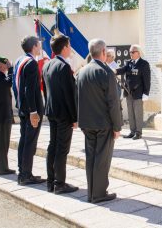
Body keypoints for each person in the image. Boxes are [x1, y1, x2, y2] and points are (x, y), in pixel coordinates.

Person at [76, 38, 122, 203]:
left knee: (91, 158)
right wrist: (117, 126)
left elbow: (77, 98)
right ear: (103, 52)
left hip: (87, 123)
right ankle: (99, 193)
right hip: (103, 123)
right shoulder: (106, 72)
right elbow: (113, 102)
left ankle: (92, 192)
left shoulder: (81, 72)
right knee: (102, 159)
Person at [42, 34, 79, 194]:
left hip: (51, 111)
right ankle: (59, 184)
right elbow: (69, 95)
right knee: (62, 149)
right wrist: (75, 118)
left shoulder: (47, 65)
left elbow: (45, 91)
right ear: (64, 48)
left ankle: (51, 181)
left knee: (53, 147)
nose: (70, 48)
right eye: (69, 45)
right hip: (64, 114)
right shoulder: (64, 67)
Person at [13, 36, 46, 185]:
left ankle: (23, 172)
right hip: (31, 110)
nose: (40, 47)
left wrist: (21, 106)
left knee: (24, 140)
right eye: (39, 45)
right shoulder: (31, 63)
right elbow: (29, 89)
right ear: (34, 46)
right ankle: (26, 175)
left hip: (22, 108)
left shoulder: (19, 61)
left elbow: (16, 86)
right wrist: (33, 111)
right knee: (30, 142)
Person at [116, 44, 151, 140]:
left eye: (132, 52)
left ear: (138, 53)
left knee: (138, 113)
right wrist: (114, 71)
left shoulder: (144, 64)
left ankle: (138, 132)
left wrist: (146, 93)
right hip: (128, 92)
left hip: (138, 93)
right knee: (131, 113)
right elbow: (122, 70)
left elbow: (147, 80)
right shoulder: (129, 63)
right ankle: (132, 131)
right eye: (130, 52)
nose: (130, 54)